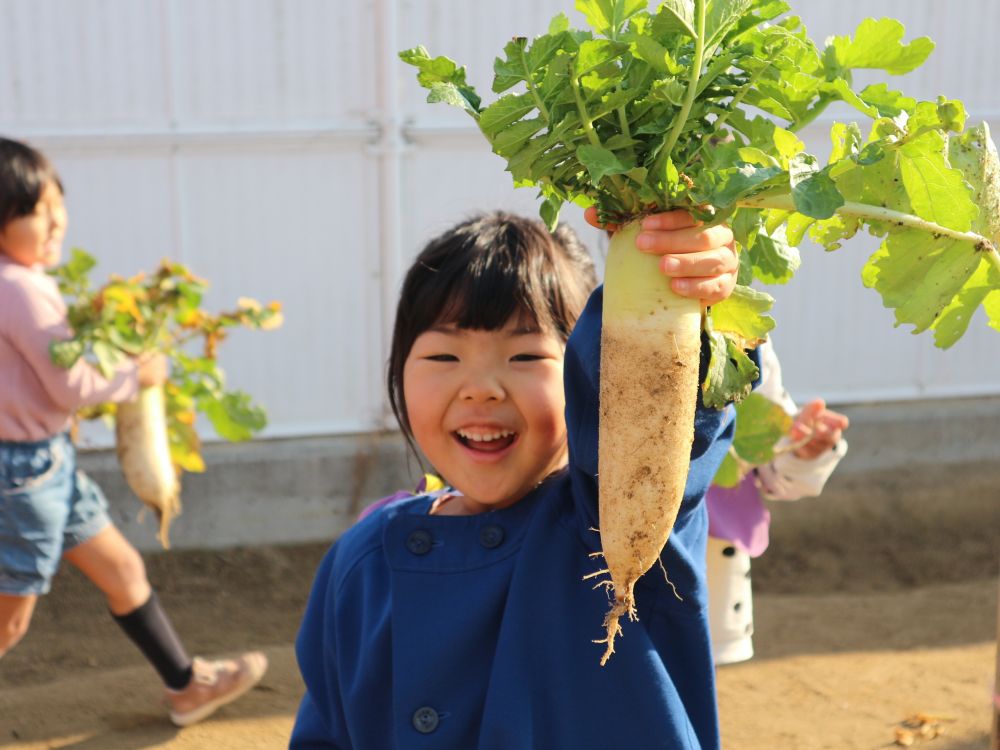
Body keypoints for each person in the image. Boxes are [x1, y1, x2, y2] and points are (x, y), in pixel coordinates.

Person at [292, 209, 744, 749]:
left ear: (591, 373)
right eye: (443, 354)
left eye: (525, 354)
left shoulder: (611, 526)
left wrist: (681, 294)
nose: (481, 388)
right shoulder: (361, 561)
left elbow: (667, 427)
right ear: (398, 372)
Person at [0, 137, 267, 727]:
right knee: (10, 622)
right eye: (36, 211)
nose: (56, 221)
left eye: (57, 204)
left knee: (122, 571)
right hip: (22, 476)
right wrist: (135, 372)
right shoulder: (19, 288)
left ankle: (185, 685)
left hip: (43, 463)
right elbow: (70, 384)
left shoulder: (14, 283)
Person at [706, 338, 849, 665]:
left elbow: (769, 461)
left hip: (711, 570)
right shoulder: (601, 308)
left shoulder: (741, 334)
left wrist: (801, 448)